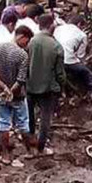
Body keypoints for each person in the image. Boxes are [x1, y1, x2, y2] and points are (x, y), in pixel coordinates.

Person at [0, 25, 36, 165]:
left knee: (3, 123)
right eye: (27, 41)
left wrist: (4, 89)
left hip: (0, 94)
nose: (27, 44)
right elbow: (21, 79)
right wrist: (11, 91)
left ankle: (5, 156)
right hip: (17, 95)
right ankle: (29, 151)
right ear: (21, 37)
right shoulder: (22, 55)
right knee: (23, 123)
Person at [27, 13, 65, 155]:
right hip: (48, 87)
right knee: (45, 118)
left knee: (29, 116)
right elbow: (60, 73)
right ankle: (41, 147)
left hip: (30, 85)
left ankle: (30, 144)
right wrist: (63, 87)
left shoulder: (31, 42)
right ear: (51, 25)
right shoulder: (56, 46)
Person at [55, 15, 92, 110]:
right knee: (88, 75)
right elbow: (80, 56)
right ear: (79, 24)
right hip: (68, 61)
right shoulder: (82, 35)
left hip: (53, 60)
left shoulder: (58, 28)